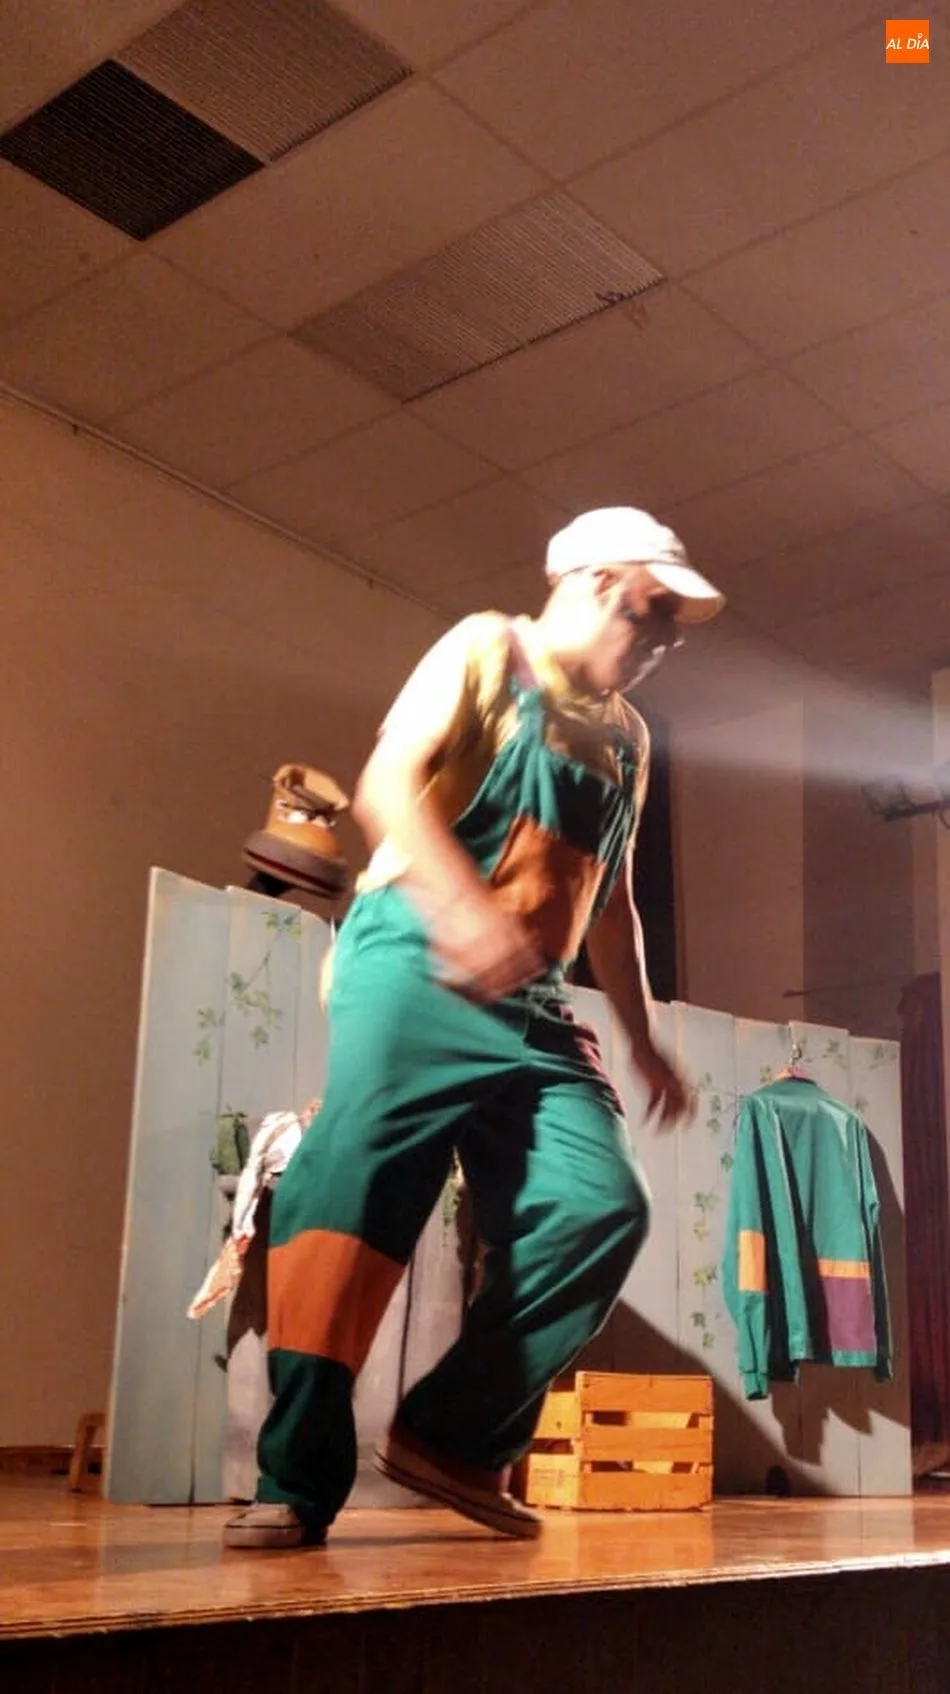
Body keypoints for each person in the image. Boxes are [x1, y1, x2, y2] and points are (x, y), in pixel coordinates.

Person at [224, 505, 725, 1549]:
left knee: (598, 1206)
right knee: (351, 1205)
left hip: (533, 1002)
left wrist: (640, 1041)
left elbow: (612, 903)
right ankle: (294, 1479)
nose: (668, 636)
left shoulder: (628, 738)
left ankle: (451, 1438)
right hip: (417, 955)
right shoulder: (490, 650)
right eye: (655, 607)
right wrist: (464, 914)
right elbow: (386, 786)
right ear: (596, 580)